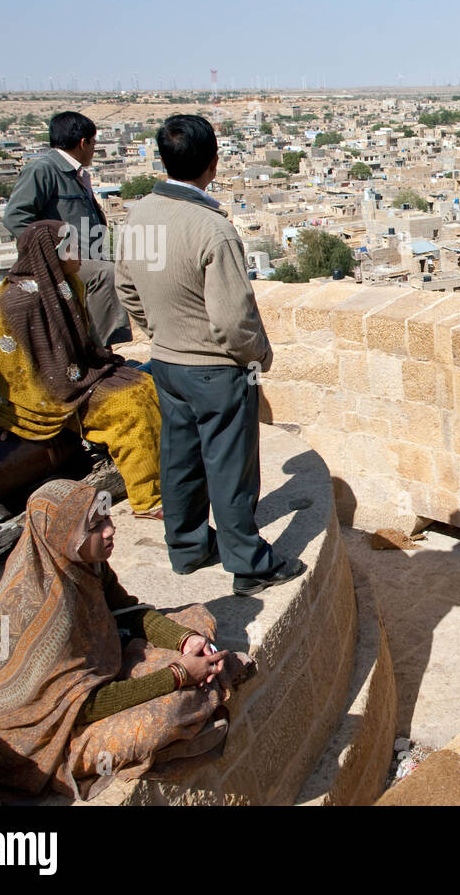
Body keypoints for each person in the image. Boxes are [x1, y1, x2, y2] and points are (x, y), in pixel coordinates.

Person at [0, 479, 255, 800]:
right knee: (163, 715)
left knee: (197, 618)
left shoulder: (84, 564)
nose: (110, 529)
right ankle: (204, 691)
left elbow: (128, 610)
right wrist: (177, 676)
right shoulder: (44, 614)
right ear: (64, 535)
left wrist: (184, 640)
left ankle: (204, 683)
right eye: (95, 526)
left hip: (89, 674)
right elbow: (83, 706)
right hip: (46, 734)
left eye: (106, 517)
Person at [116, 114, 304, 595]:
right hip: (216, 369)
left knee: (179, 457)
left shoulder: (138, 216)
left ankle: (187, 546)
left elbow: (127, 291)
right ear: (213, 162)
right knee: (230, 464)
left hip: (167, 362)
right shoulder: (211, 230)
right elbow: (232, 319)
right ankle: (248, 563)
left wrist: (162, 332)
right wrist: (257, 356)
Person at [0, 221, 163, 517]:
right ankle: (148, 498)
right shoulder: (16, 301)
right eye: (70, 247)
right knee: (130, 407)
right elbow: (6, 364)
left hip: (78, 375)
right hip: (51, 394)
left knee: (145, 385)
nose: (77, 252)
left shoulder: (68, 286)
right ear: (51, 254)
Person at [3, 111, 131, 349]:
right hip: (65, 263)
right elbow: (15, 217)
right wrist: (53, 254)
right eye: (94, 143)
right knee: (107, 274)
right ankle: (104, 350)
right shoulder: (43, 170)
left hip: (88, 257)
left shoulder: (76, 174)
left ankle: (102, 350)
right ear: (83, 142)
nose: (95, 149)